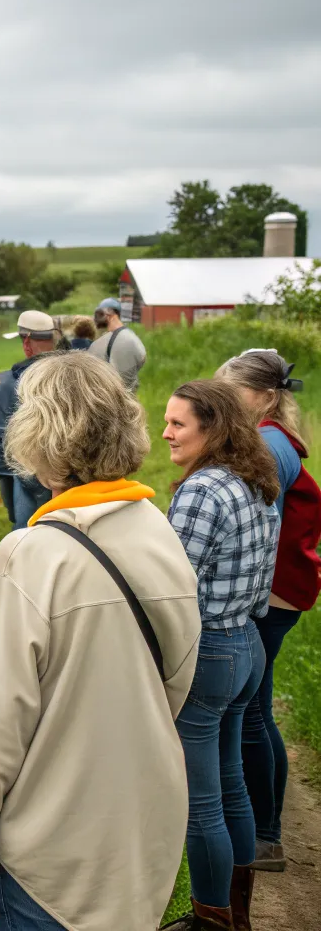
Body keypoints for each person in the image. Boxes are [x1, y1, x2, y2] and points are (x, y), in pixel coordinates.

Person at [0, 352, 202, 931]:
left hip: (49, 856)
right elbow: (176, 677)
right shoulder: (161, 532)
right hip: (142, 835)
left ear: (40, 440)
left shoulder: (27, 558)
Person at [162, 380, 279, 931]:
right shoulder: (255, 480)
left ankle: (211, 919)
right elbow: (260, 588)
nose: (165, 432)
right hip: (246, 645)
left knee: (202, 801)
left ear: (212, 427)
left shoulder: (204, 490)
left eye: (178, 423)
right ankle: (238, 912)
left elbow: (171, 584)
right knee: (230, 781)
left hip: (208, 653)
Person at [215, 349, 321, 874]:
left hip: (268, 599)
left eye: (232, 393)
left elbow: (261, 534)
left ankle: (265, 835)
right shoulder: (273, 440)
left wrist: (245, 604)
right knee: (256, 710)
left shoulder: (267, 445)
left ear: (263, 396)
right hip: (278, 592)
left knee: (254, 714)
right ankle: (265, 827)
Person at [0, 310, 63, 528]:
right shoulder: (69, 368)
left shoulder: (21, 378)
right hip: (69, 466)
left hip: (33, 464)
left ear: (27, 341)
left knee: (25, 528)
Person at [88, 297, 147, 390]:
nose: (96, 318)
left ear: (110, 315)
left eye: (99, 314)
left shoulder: (125, 340)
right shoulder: (126, 336)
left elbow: (123, 384)